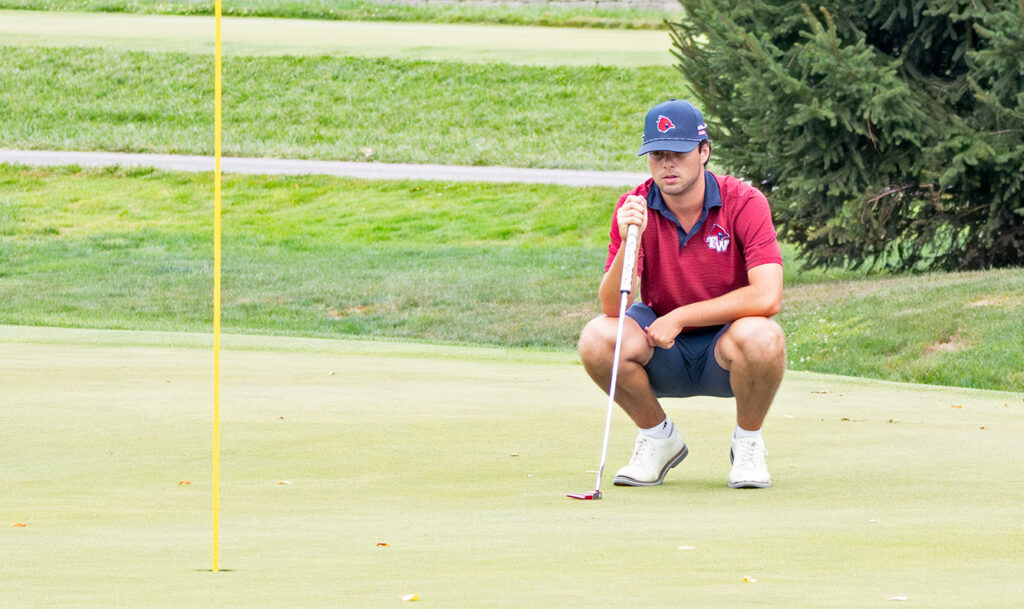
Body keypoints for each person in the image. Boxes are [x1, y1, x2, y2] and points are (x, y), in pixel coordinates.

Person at [577, 98, 786, 489]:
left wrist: (681, 316)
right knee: (597, 338)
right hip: (661, 347)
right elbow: (611, 306)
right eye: (657, 155)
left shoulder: (744, 202)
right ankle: (658, 439)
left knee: (764, 336)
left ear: (704, 152)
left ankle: (748, 444)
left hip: (726, 347)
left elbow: (768, 296)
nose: (667, 164)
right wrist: (626, 242)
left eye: (679, 153)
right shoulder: (634, 206)